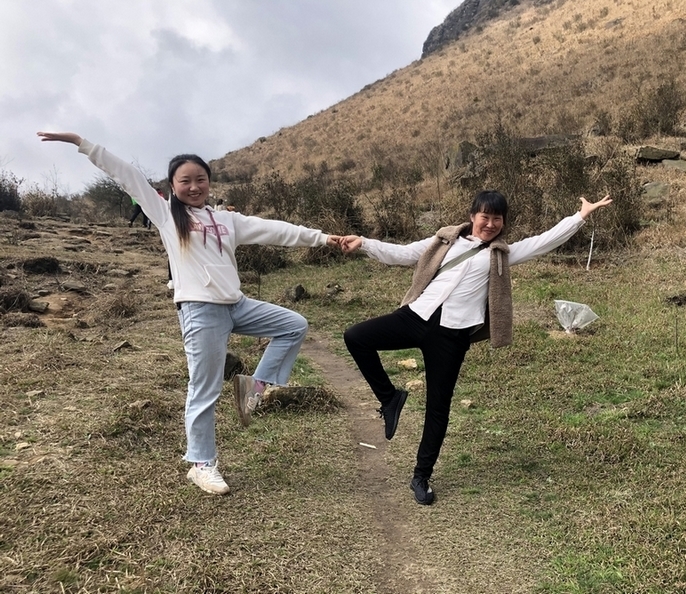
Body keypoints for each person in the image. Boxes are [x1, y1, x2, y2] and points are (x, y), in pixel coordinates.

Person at [38, 131, 342, 496]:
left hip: (237, 304)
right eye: (185, 181)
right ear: (172, 185)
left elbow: (276, 231)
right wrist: (82, 143)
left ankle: (255, 389)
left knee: (293, 325)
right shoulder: (166, 214)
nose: (194, 187)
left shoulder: (227, 220)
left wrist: (322, 238)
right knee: (204, 388)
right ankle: (201, 464)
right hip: (200, 310)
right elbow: (127, 175)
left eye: (201, 179)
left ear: (209, 183)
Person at [340, 190, 612, 505]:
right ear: (472, 217)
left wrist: (580, 216)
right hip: (417, 316)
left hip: (452, 335)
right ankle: (390, 398)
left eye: (498, 219)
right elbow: (403, 253)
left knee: (438, 407)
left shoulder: (501, 254)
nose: (491, 224)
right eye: (485, 216)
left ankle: (421, 476)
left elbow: (543, 241)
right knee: (356, 337)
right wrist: (365, 243)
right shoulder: (445, 241)